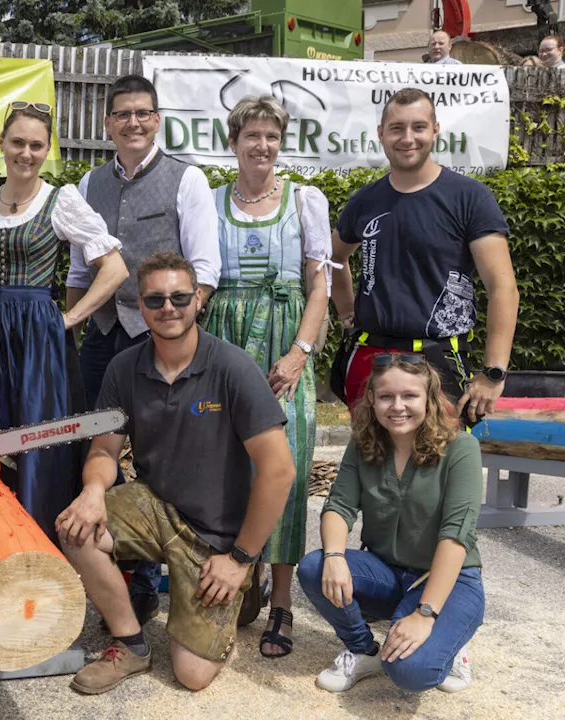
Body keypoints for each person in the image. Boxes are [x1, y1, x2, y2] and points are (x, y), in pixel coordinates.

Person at [56, 252, 295, 694]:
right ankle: (130, 645)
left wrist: (240, 558)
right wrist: (91, 490)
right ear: (140, 306)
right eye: (156, 299)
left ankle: (247, 583)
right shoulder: (123, 367)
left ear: (199, 300)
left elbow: (279, 472)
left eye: (180, 297)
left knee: (191, 675)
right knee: (76, 527)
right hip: (157, 506)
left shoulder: (233, 367)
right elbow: (105, 448)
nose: (169, 307)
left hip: (219, 537)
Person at [66, 74, 221, 623]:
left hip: (157, 335)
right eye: (122, 114)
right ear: (107, 123)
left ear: (157, 120)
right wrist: (71, 326)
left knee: (159, 451)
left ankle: (155, 571)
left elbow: (205, 271)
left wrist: (174, 329)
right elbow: (79, 267)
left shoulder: (187, 180)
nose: (133, 122)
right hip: (105, 334)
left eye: (143, 113)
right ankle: (111, 557)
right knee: (93, 442)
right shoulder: (88, 184)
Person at [0, 102, 128, 538]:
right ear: (3, 145)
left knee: (38, 432)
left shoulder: (60, 200)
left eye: (36, 145)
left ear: (48, 150)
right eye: (18, 143)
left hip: (39, 333)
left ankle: (41, 536)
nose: (26, 153)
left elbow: (115, 268)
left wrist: (68, 320)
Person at [205, 95, 337, 658]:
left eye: (272, 136)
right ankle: (239, 581)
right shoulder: (209, 202)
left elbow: (320, 288)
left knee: (286, 466)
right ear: (233, 141)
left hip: (285, 343)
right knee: (226, 467)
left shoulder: (306, 201)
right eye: (251, 135)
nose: (262, 145)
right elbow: (204, 281)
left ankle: (280, 602)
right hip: (226, 338)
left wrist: (300, 353)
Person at [330, 88, 519, 426]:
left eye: (418, 127)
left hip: (437, 362)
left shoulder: (469, 197)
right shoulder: (365, 200)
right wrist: (347, 314)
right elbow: (332, 259)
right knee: (370, 469)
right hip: (370, 361)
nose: (407, 138)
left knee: (438, 471)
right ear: (381, 134)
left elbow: (502, 288)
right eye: (396, 128)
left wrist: (493, 372)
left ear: (435, 130)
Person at [298, 353, 483, 694]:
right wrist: (336, 557)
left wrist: (424, 615)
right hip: (386, 571)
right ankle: (363, 651)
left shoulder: (462, 449)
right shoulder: (364, 444)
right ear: (372, 399)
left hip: (448, 580)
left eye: (410, 395)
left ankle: (451, 639)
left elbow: (456, 536)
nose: (397, 406)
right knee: (314, 566)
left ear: (429, 398)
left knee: (411, 672)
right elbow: (338, 506)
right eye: (386, 396)